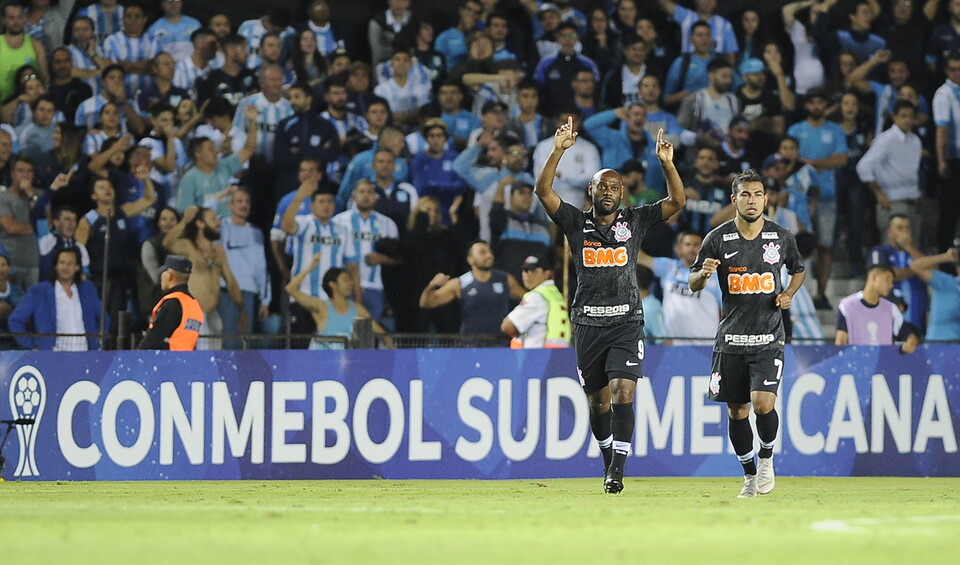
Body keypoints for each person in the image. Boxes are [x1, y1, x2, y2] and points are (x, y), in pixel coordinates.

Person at [536, 118, 686, 494]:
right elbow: (543, 190)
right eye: (603, 185)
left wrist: (667, 163)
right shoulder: (575, 221)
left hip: (626, 322)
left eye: (615, 187)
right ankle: (608, 461)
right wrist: (559, 151)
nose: (609, 191)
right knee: (597, 402)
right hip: (587, 323)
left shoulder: (635, 220)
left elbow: (678, 202)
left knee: (623, 391)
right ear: (591, 189)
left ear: (622, 193)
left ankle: (617, 471)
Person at [689, 170, 805, 498]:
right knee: (736, 410)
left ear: (766, 199)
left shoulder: (781, 237)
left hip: (769, 337)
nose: (751, 200)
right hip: (731, 339)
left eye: (757, 194)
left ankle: (767, 459)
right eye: (745, 195)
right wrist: (703, 274)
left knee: (762, 402)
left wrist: (789, 295)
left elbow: (798, 269)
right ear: (734, 200)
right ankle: (750, 474)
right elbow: (692, 282)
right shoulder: (717, 238)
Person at [163, 206, 244, 350]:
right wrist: (184, 221)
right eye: (213, 219)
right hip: (194, 315)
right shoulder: (188, 246)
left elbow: (231, 282)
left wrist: (241, 310)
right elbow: (167, 243)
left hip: (213, 313)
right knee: (203, 360)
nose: (218, 223)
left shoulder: (218, 250)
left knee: (214, 358)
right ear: (200, 223)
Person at [419, 240, 524, 335]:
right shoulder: (460, 283)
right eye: (483, 252)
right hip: (470, 345)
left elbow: (528, 299)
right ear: (471, 260)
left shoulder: (505, 279)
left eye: (490, 252)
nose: (489, 255)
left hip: (501, 344)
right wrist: (432, 286)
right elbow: (427, 303)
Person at [9, 247, 105, 351]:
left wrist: (98, 342)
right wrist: (31, 347)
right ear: (56, 266)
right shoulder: (39, 291)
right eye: (62, 262)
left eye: (70, 263)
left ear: (77, 267)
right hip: (53, 356)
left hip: (86, 354)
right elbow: (15, 320)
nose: (65, 267)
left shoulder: (88, 288)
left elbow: (104, 318)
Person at [286, 253, 386, 350]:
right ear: (333, 285)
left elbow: (381, 333)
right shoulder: (321, 306)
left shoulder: (357, 309)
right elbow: (290, 289)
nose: (351, 283)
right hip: (323, 362)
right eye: (346, 280)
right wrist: (311, 266)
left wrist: (394, 352)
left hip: (345, 363)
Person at [638, 231, 721, 344]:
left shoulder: (715, 276)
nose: (692, 248)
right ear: (678, 249)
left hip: (706, 344)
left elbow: (725, 309)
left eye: (696, 245)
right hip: (674, 345)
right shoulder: (668, 268)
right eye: (687, 244)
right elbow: (640, 258)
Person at [836, 263, 920, 351]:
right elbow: (840, 341)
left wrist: (911, 342)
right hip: (856, 362)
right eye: (887, 280)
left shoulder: (891, 308)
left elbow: (908, 335)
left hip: (883, 363)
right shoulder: (848, 306)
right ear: (874, 277)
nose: (891, 285)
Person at [501, 253, 571, 349]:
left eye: (533, 270)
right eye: (525, 270)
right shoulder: (554, 294)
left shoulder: (536, 296)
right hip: (556, 355)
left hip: (534, 355)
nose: (527, 274)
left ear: (547, 273)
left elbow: (507, 326)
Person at [139, 255, 204, 350]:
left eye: (163, 272)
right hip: (186, 360)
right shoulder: (194, 304)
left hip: (167, 360)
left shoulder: (172, 304)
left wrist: (137, 355)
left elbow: (152, 341)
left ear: (169, 276)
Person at [910, 246, 960, 342]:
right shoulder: (946, 281)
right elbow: (915, 266)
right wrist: (945, 257)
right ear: (958, 268)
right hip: (938, 341)